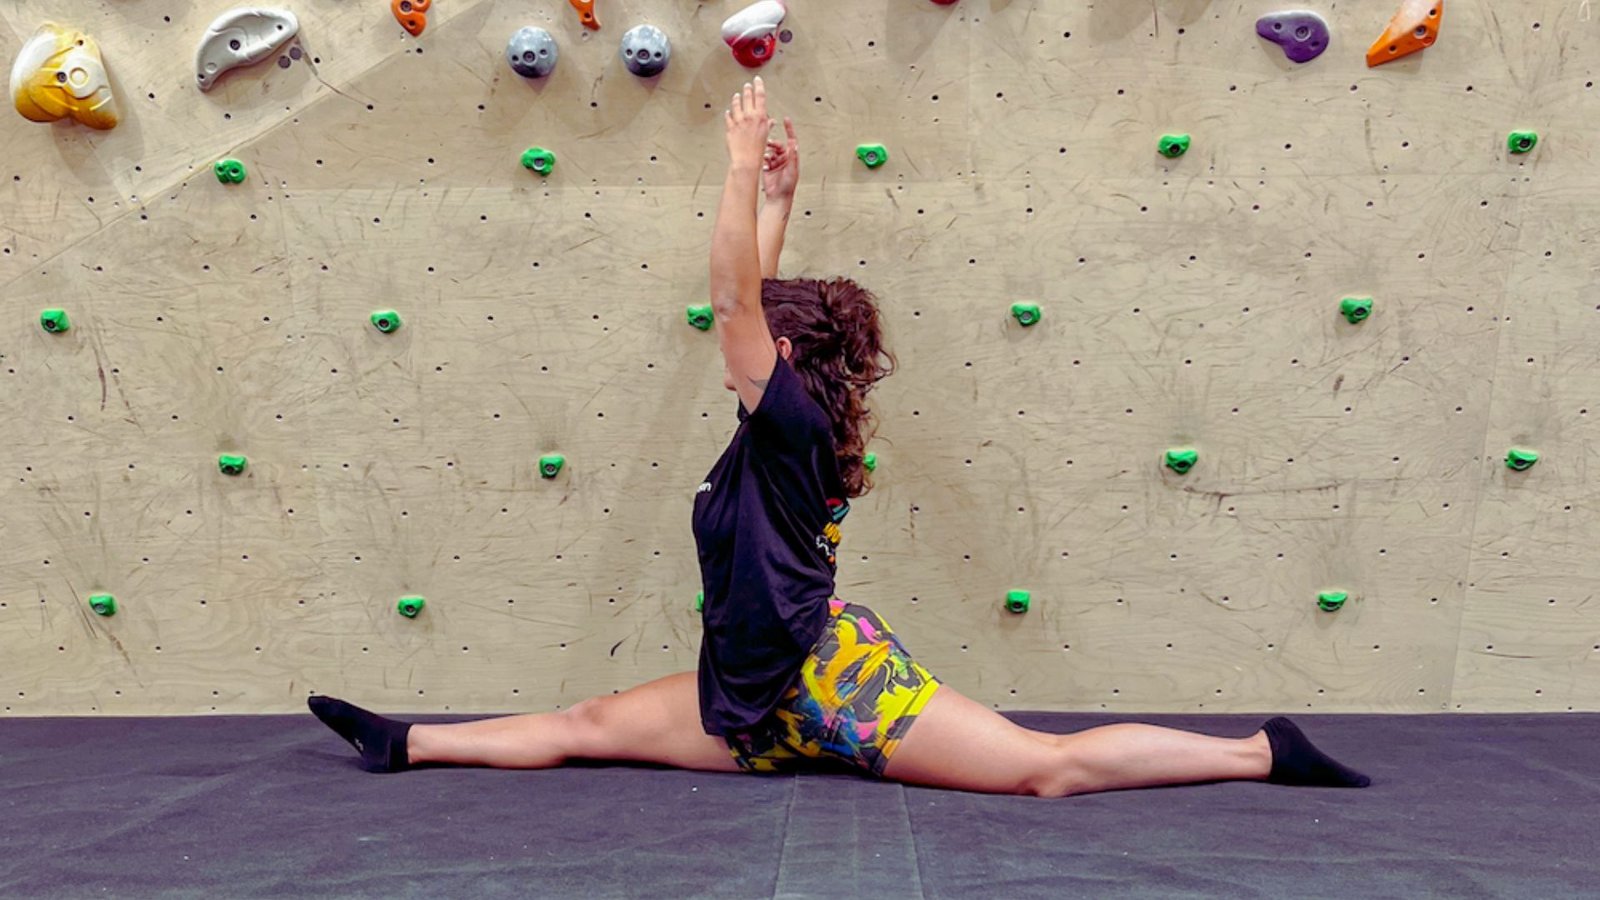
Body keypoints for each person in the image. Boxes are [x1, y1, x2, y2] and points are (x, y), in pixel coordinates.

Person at [309, 77, 1371, 798]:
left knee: (1044, 770)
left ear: (776, 351)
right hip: (751, 691)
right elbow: (747, 301)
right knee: (588, 720)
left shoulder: (793, 418)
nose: (738, 335)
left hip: (830, 684)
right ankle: (402, 743)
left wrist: (733, 173)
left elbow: (732, 301)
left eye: (753, 331)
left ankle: (1257, 753)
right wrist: (781, 195)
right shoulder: (776, 420)